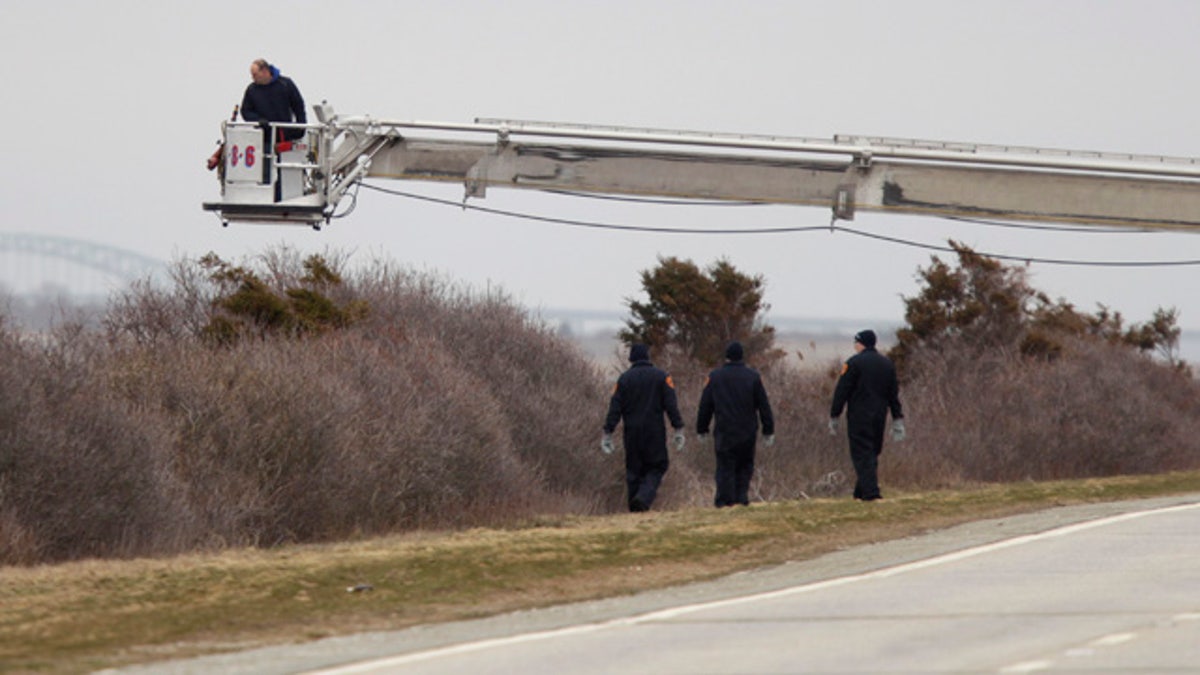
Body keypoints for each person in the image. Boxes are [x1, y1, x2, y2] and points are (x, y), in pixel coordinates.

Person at [602, 344, 686, 512]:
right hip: (654, 432)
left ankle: (635, 509)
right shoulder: (662, 377)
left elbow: (615, 408)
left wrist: (608, 432)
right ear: (648, 357)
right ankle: (643, 499)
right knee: (657, 466)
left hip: (631, 433)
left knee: (634, 471)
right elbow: (671, 405)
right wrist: (678, 428)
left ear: (631, 359)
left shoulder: (624, 379)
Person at [829, 329, 905, 501]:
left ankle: (871, 494)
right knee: (872, 452)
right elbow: (893, 394)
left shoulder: (854, 363)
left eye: (856, 342)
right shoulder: (887, 364)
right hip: (879, 416)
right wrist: (897, 418)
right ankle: (861, 492)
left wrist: (835, 414)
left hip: (859, 416)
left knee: (862, 453)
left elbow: (842, 391)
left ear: (860, 343)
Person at [696, 341, 775, 507]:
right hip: (747, 431)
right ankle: (741, 498)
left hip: (725, 430)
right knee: (745, 466)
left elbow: (705, 405)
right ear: (741, 357)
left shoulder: (715, 377)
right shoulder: (753, 377)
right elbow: (763, 405)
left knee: (725, 466)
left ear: (726, 357)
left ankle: (725, 501)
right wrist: (768, 429)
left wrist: (702, 428)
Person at [240, 58, 307, 142]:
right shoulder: (252, 90)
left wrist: (301, 127)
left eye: (255, 75)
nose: (253, 78)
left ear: (264, 71)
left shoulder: (285, 84)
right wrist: (258, 120)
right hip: (263, 136)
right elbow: (245, 111)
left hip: (284, 134)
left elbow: (298, 106)